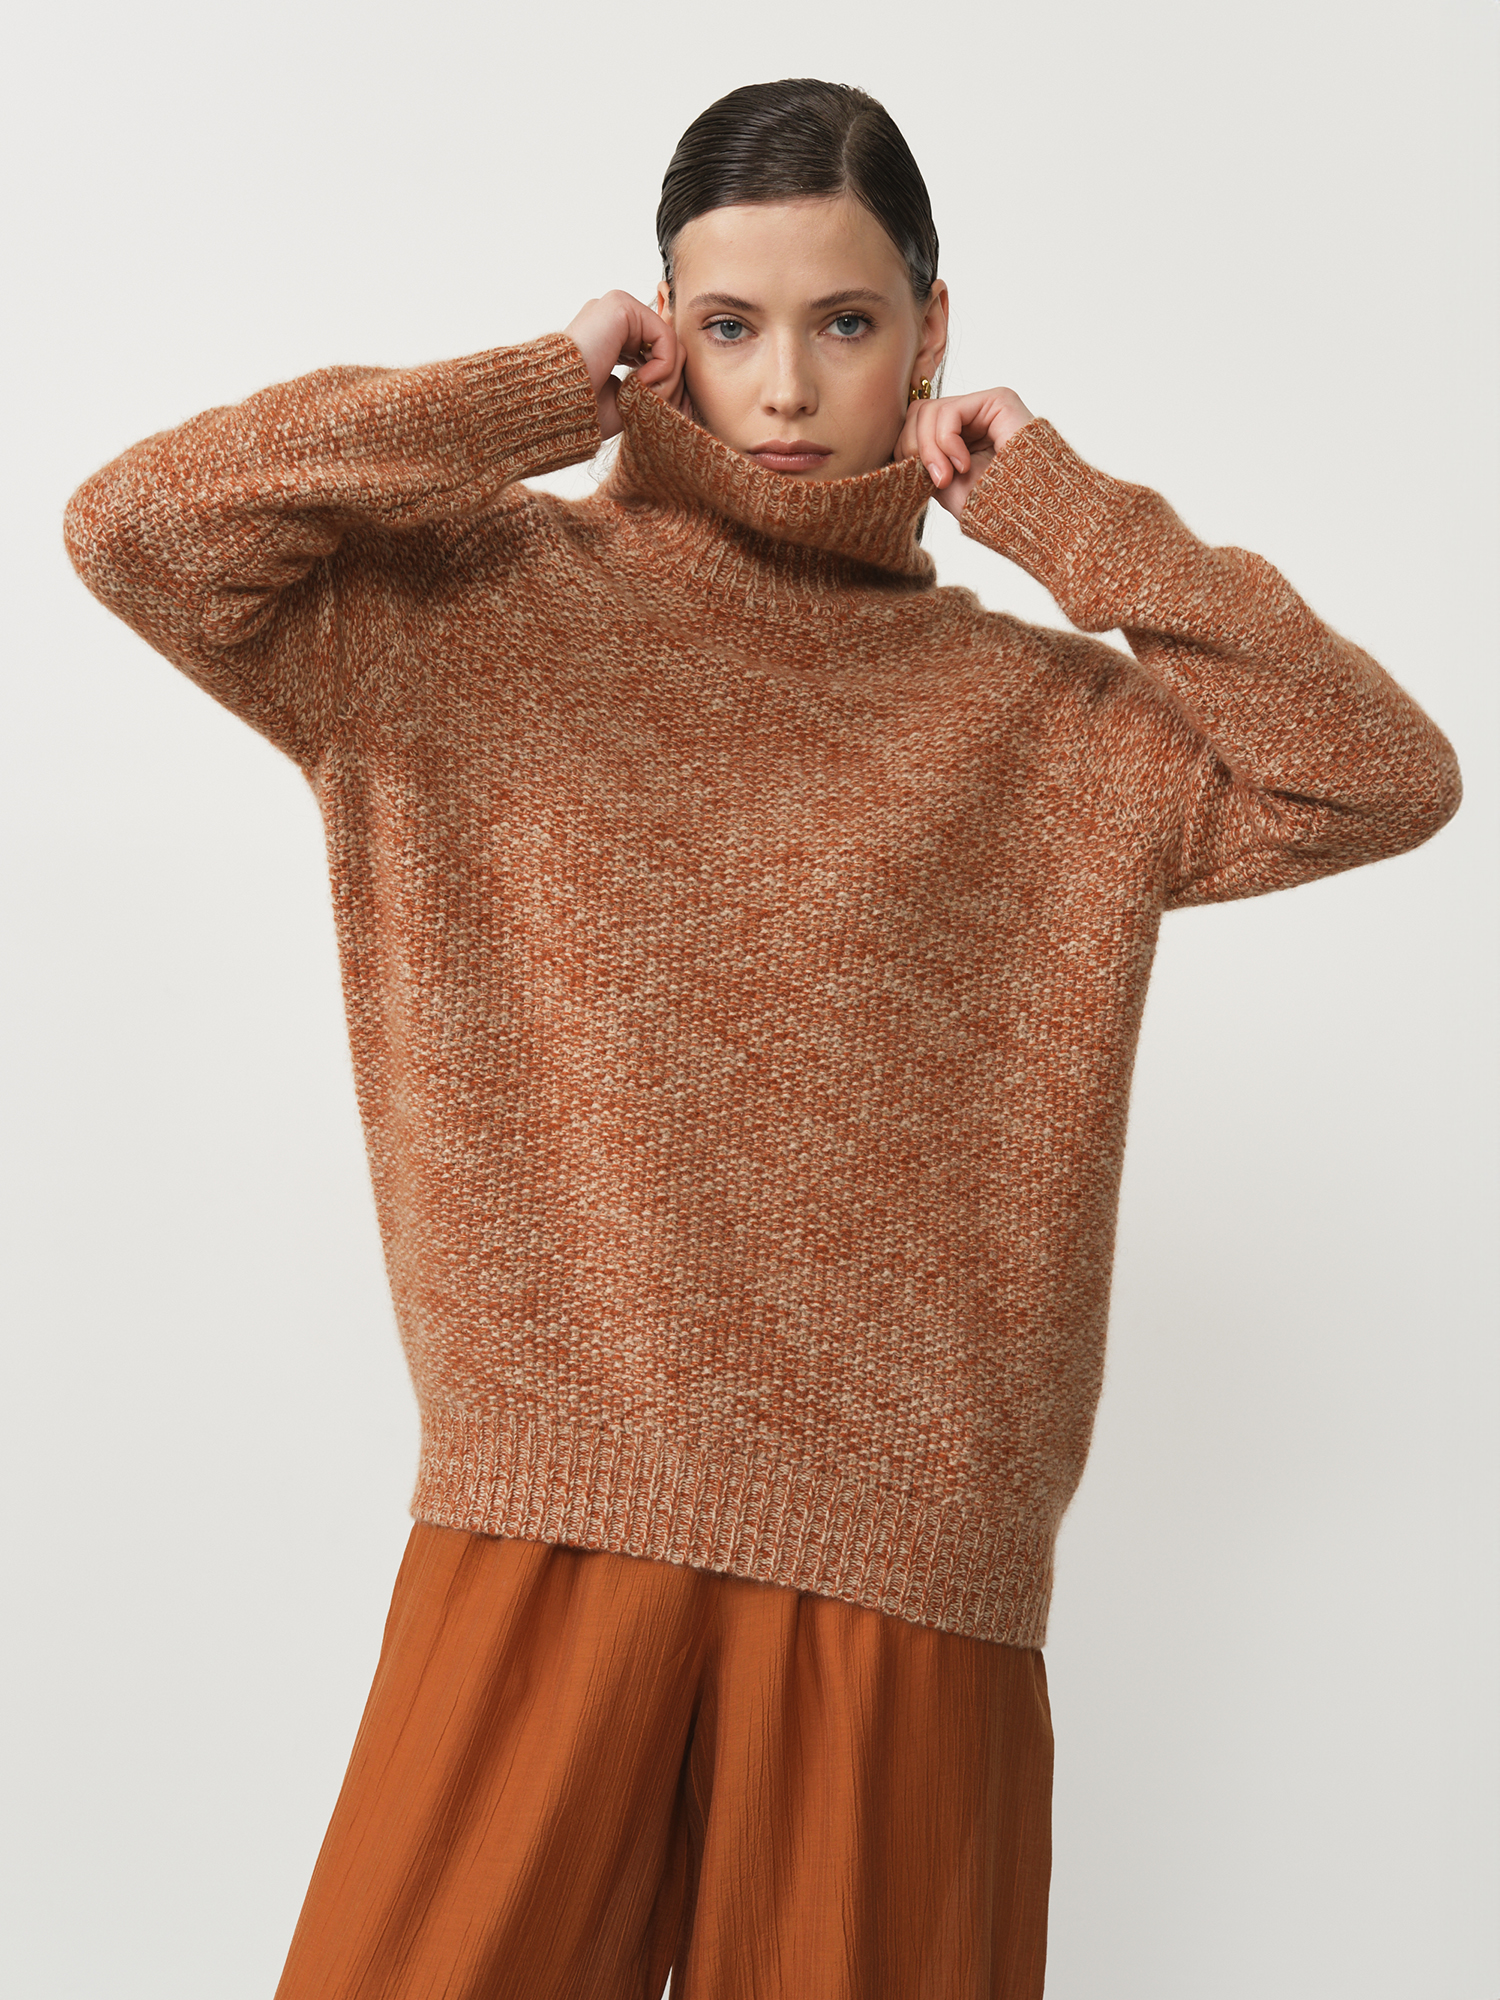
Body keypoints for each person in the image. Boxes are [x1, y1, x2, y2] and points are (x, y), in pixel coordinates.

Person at [62, 75, 1461, 2000]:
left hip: (912, 1556)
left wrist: (1061, 511)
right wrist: (530, 394)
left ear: (933, 333)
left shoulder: (1043, 727)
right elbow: (138, 527)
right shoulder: (463, 620)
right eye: (729, 325)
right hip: (549, 1502)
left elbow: (1377, 772)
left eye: (847, 321)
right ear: (663, 331)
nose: (788, 387)